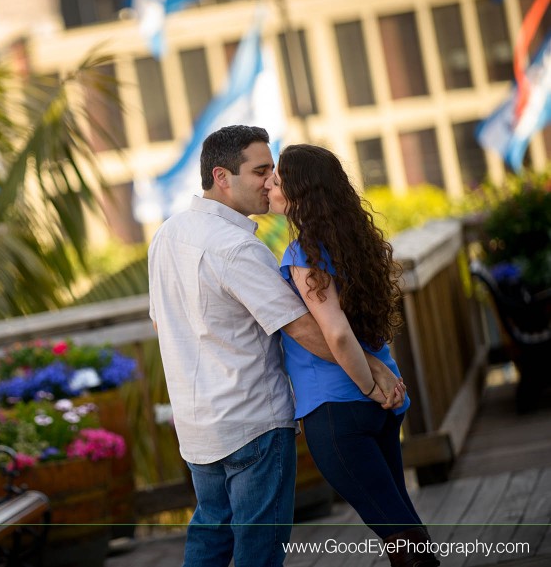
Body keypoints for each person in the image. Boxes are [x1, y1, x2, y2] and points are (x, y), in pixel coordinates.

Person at [148, 125, 403, 567]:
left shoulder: (167, 235)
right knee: (260, 552)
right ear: (222, 176)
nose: (269, 182)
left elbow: (160, 322)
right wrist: (374, 370)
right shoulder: (237, 248)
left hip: (197, 426)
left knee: (210, 537)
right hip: (254, 423)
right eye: (260, 171)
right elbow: (305, 329)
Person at [264, 143, 439, 567]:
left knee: (398, 530)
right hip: (381, 405)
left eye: (278, 177)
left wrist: (368, 386)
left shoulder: (304, 254)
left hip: (339, 409)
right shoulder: (358, 245)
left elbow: (337, 334)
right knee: (400, 522)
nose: (270, 182)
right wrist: (377, 389)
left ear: (299, 192)